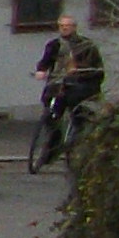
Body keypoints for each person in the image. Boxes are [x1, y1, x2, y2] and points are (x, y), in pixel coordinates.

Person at [39, 15, 107, 147]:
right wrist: (41, 70)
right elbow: (46, 61)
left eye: (67, 26)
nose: (64, 28)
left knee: (77, 107)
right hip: (60, 82)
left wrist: (80, 71)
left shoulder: (86, 45)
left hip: (80, 83)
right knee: (49, 103)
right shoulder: (54, 45)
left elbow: (96, 68)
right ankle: (53, 136)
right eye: (62, 26)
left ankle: (77, 134)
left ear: (74, 27)